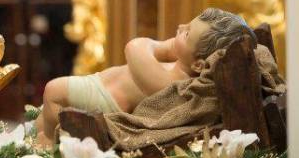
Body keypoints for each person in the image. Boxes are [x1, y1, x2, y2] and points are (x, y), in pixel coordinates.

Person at [35, 8, 256, 146]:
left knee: (53, 91)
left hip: (109, 100)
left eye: (186, 33)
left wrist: (161, 46)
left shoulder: (171, 83)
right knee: (43, 116)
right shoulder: (179, 65)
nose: (179, 27)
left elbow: (135, 46)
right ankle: (47, 130)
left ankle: (49, 143)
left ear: (199, 64)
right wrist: (174, 46)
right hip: (102, 83)